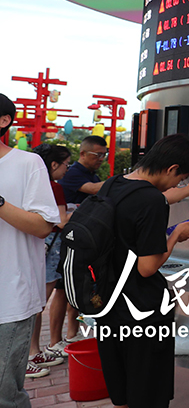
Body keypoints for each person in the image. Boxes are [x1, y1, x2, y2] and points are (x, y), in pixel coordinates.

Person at [94, 134, 189, 408]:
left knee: (121, 393)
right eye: (180, 180)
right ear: (171, 169)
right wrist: (176, 235)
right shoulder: (152, 201)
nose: (176, 186)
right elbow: (147, 267)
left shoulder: (112, 185)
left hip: (108, 305)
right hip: (142, 312)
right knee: (148, 395)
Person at [0, 94, 60, 408]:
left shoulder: (27, 163)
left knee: (5, 396)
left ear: (4, 121)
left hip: (9, 300)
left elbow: (42, 226)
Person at [26, 144, 73, 378]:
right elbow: (62, 221)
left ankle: (33, 352)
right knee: (37, 305)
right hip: (51, 248)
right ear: (53, 164)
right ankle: (29, 355)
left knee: (35, 304)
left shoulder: (29, 182)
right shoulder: (53, 187)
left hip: (33, 246)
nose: (67, 169)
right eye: (66, 164)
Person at [59, 135, 108, 205]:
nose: (101, 159)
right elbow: (93, 189)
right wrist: (121, 180)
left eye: (104, 155)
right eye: (98, 155)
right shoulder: (70, 173)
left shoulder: (94, 176)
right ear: (83, 154)